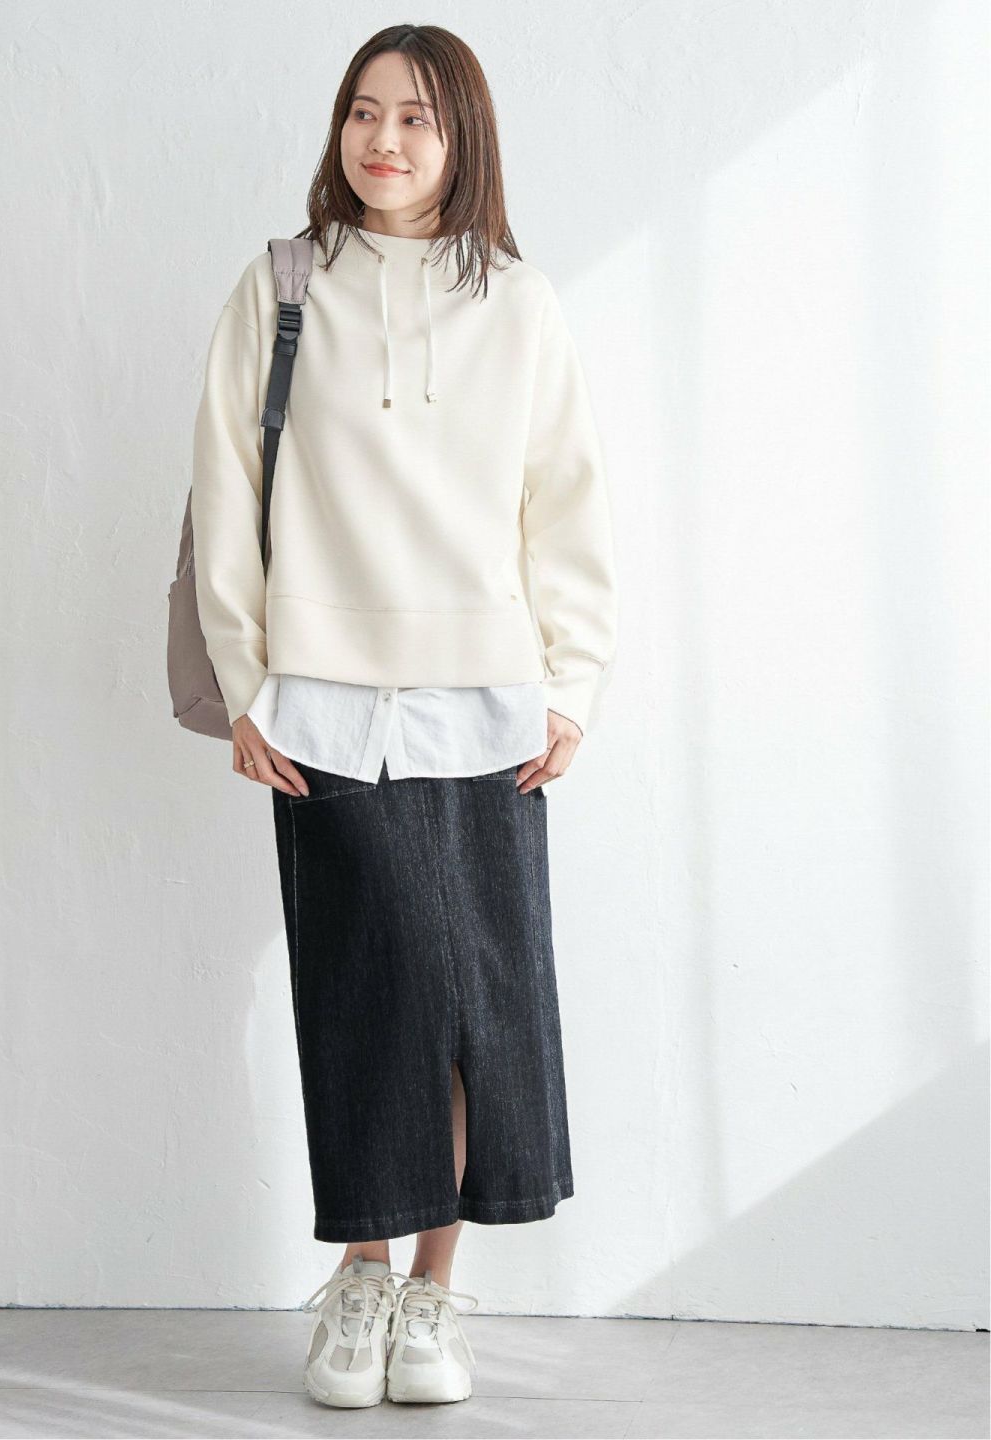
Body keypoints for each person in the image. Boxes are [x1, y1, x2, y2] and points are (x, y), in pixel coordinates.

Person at [189, 23, 618, 1410]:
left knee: (477, 1006)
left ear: (461, 137)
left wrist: (571, 684)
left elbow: (565, 504)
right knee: (358, 996)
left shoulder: (519, 301)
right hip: (318, 701)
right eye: (364, 112)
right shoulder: (282, 285)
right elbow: (225, 490)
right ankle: (361, 1278)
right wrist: (246, 678)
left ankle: (436, 1293)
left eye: (417, 118)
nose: (384, 140)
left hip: (485, 703)